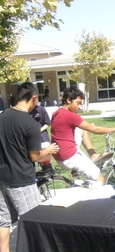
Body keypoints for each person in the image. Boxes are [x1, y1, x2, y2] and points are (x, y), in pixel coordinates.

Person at [0, 82, 59, 252]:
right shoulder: (30, 123)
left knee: (3, 221)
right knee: (34, 220)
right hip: (21, 180)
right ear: (34, 98)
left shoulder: (2, 117)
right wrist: (47, 149)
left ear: (18, 96)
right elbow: (33, 156)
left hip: (2, 178)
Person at [51, 86, 115, 184]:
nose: (79, 107)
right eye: (78, 103)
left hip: (59, 155)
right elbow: (95, 130)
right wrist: (114, 129)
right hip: (70, 157)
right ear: (68, 100)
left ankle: (93, 155)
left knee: (83, 129)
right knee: (100, 180)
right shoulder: (70, 116)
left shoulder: (56, 113)